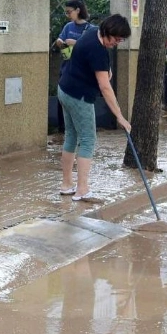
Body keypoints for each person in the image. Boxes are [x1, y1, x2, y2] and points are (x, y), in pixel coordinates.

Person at [57, 14, 132, 201]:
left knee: (72, 136)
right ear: (108, 32)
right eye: (116, 39)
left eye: (121, 40)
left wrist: (107, 72)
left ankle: (67, 185)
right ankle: (82, 190)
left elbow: (103, 72)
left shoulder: (91, 31)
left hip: (64, 89)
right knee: (88, 139)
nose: (117, 43)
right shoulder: (98, 51)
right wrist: (120, 117)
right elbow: (105, 88)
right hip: (79, 97)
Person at [54, 0, 93, 132]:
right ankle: (62, 128)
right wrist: (60, 41)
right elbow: (60, 38)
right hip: (66, 69)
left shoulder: (91, 29)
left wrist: (76, 43)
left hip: (81, 73)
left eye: (69, 12)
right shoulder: (68, 27)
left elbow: (93, 49)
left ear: (78, 10)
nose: (68, 15)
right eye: (66, 13)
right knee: (63, 101)